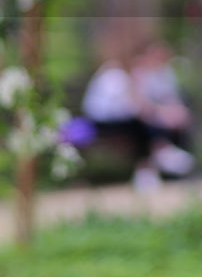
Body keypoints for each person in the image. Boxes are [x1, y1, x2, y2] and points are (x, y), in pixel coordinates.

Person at [81, 36, 194, 189]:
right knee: (143, 125)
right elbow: (131, 107)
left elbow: (146, 105)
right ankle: (158, 157)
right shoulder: (115, 74)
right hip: (103, 122)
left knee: (149, 123)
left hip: (123, 120)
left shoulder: (148, 75)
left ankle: (156, 162)